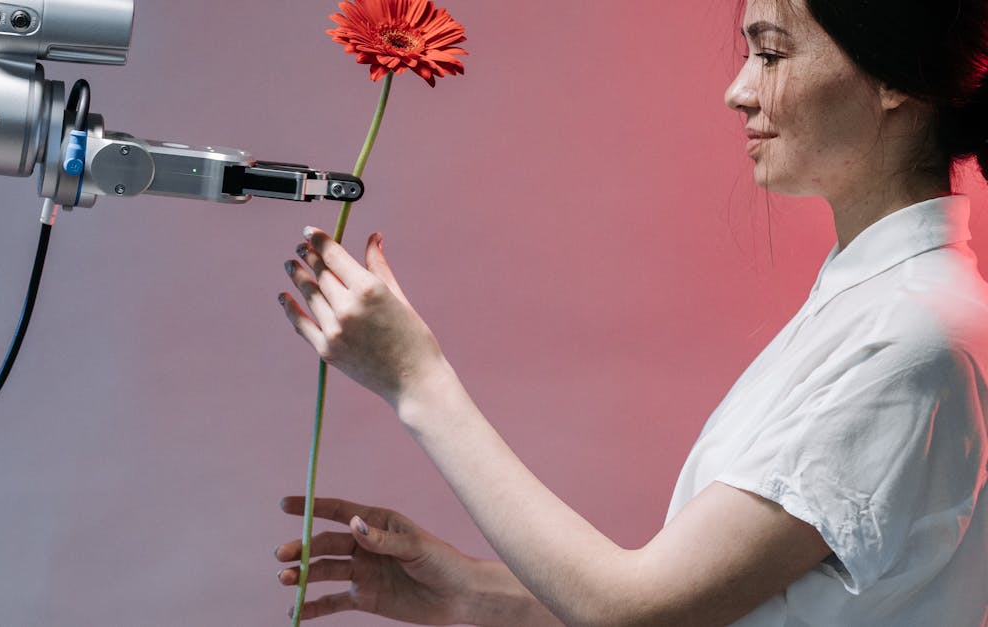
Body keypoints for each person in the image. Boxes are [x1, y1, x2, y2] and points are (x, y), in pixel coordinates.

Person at [273, 0, 988, 624]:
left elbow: (637, 611)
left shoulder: (911, 339)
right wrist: (473, 594)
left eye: (770, 54)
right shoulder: (877, 305)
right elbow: (718, 603)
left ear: (896, 75)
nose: (738, 91)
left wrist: (417, 380)